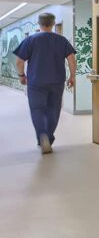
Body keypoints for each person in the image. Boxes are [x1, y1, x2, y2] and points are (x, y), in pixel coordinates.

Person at [13, 12, 76, 154]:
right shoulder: (62, 40)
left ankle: (42, 135)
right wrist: (72, 76)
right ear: (53, 23)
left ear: (39, 23)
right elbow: (71, 59)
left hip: (36, 82)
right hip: (57, 82)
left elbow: (19, 61)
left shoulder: (30, 40)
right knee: (54, 109)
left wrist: (21, 75)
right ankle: (48, 136)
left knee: (37, 109)